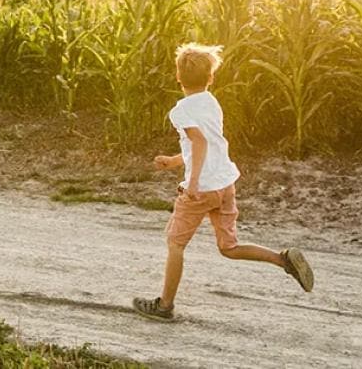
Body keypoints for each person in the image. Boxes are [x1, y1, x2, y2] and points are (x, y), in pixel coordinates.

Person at [133, 43, 314, 321]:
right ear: (211, 78)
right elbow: (207, 144)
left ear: (178, 76)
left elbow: (200, 141)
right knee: (228, 247)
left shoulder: (180, 110)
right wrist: (175, 160)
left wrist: (191, 184)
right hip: (225, 185)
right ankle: (283, 259)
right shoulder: (212, 102)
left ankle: (164, 306)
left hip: (201, 190)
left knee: (175, 244)